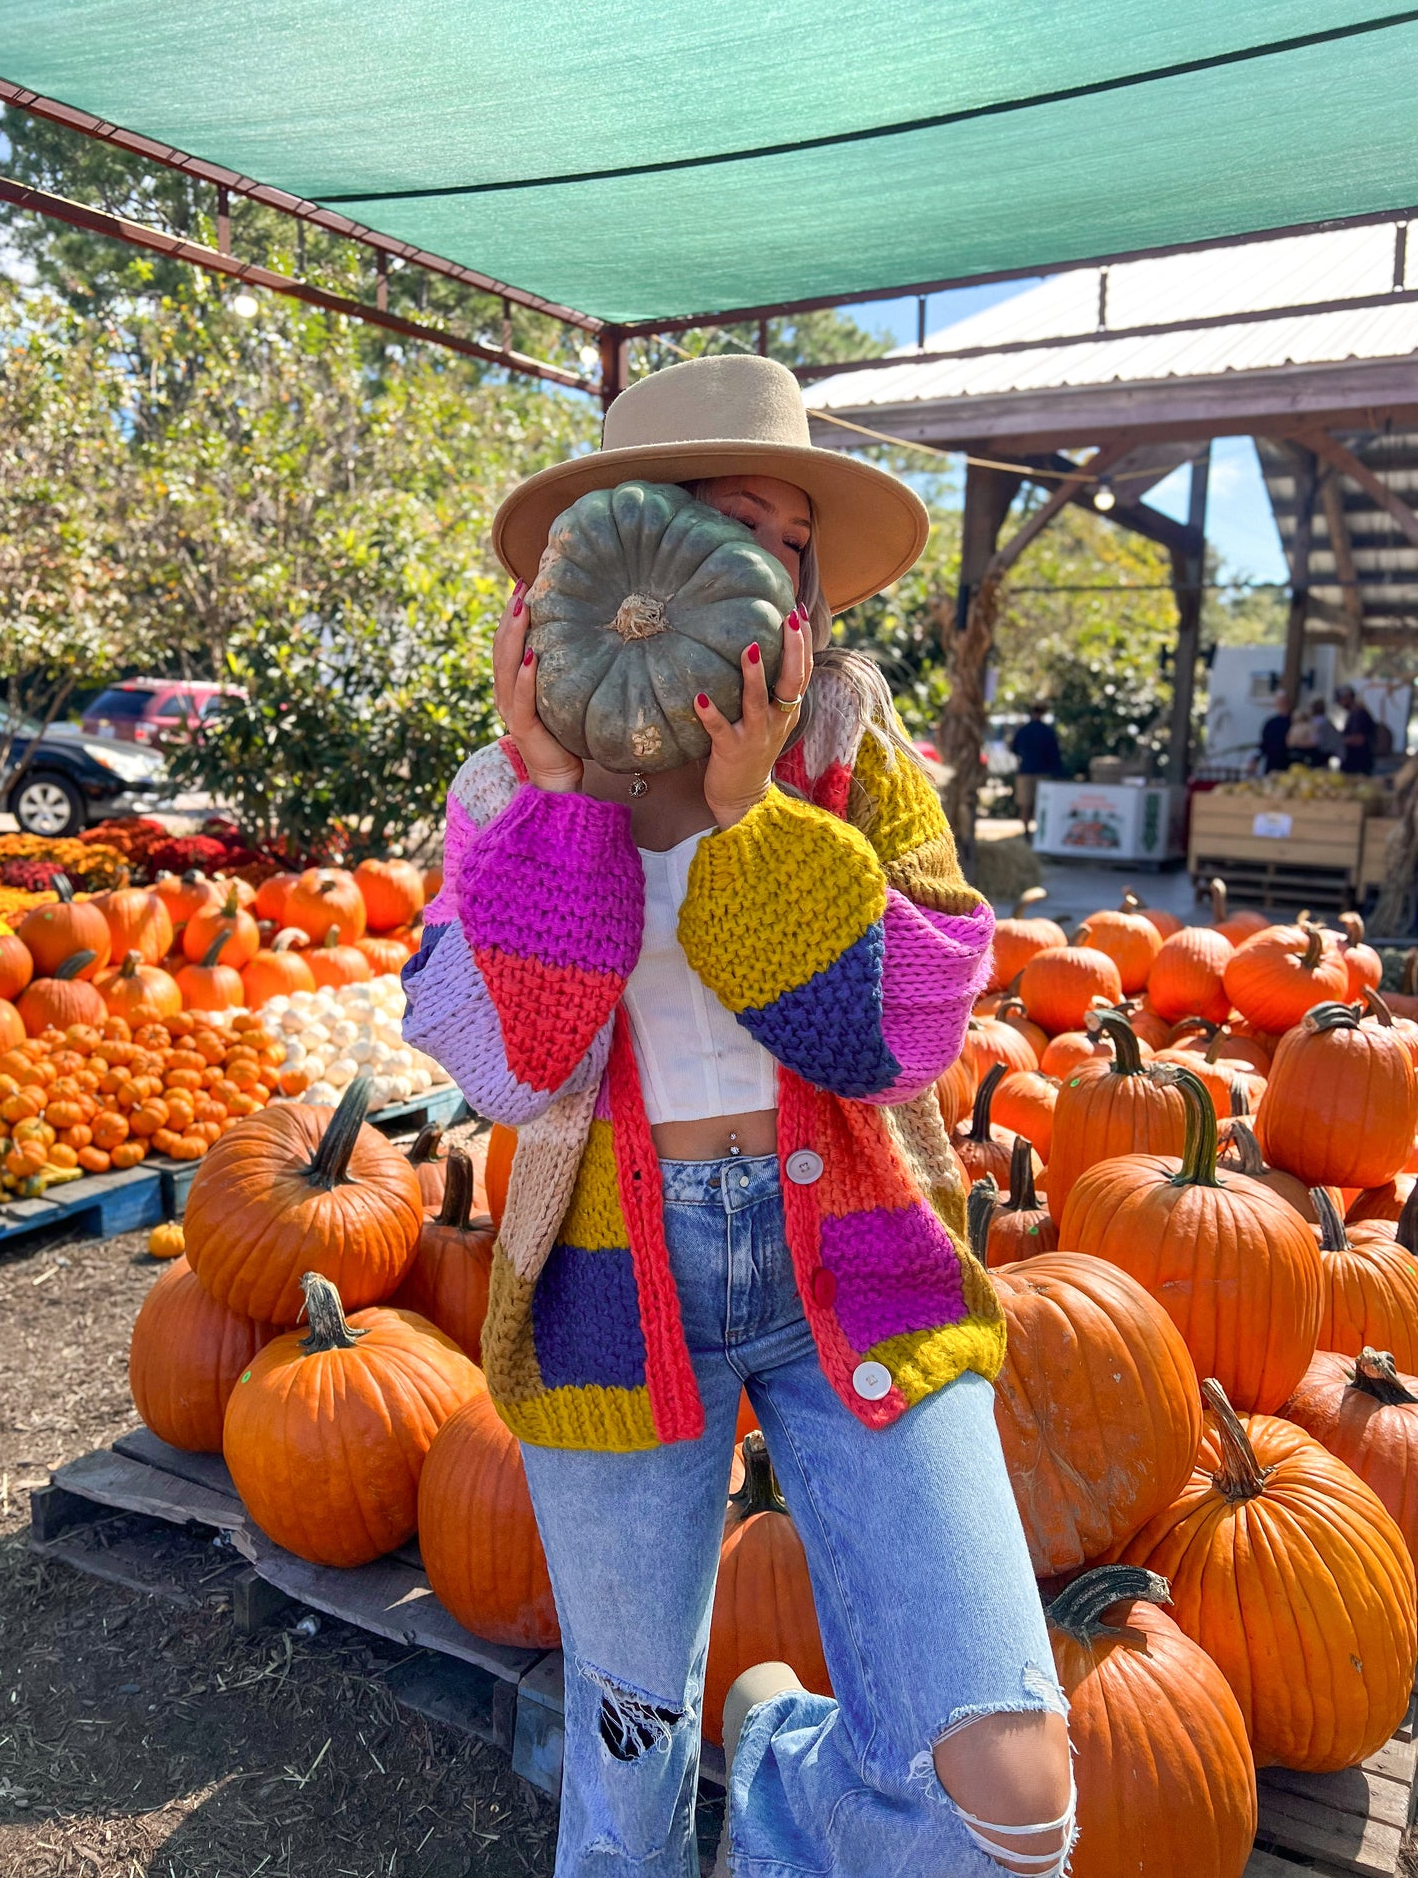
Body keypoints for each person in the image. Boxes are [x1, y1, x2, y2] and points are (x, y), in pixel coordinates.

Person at [404, 356, 1074, 1878]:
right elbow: (509, 1068)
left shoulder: (848, 743)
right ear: (614, 553)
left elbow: (899, 1033)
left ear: (808, 592)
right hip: (606, 1300)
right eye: (710, 518)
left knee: (1015, 1797)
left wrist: (751, 808)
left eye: (783, 536)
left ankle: (776, 1782)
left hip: (862, 1266)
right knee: (628, 1762)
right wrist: (563, 795)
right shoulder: (499, 793)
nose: (750, 556)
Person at [1009, 703, 1062, 832]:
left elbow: (1013, 748)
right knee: (1042, 804)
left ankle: (1026, 831)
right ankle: (1039, 832)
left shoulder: (1023, 730)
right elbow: (1055, 754)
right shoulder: (1047, 731)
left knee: (1025, 804)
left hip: (1025, 771)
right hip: (1042, 772)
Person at [1336, 683, 1379, 775]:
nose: (1339, 703)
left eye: (1340, 700)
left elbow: (1359, 739)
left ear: (1347, 698)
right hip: (1355, 761)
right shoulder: (1354, 713)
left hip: (1358, 763)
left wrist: (1339, 741)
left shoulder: (1359, 714)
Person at [1259, 691, 1293, 773]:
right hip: (1272, 763)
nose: (1281, 705)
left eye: (1283, 702)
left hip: (1290, 762)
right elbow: (1264, 744)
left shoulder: (1294, 721)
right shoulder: (1270, 723)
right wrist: (1256, 758)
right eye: (1279, 702)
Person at [1307, 697, 1343, 766]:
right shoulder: (1326, 722)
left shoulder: (1317, 722)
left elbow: (1315, 740)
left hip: (1320, 752)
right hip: (1326, 752)